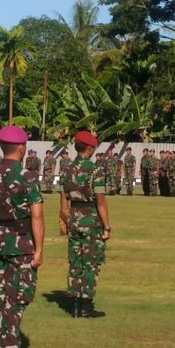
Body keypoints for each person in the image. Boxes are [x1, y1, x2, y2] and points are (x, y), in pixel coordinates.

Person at [0, 126, 44, 348]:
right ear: (21, 147)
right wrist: (39, 250)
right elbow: (36, 216)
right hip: (22, 243)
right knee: (18, 296)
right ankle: (9, 342)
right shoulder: (28, 177)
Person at [59, 131, 111, 318]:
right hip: (91, 220)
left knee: (75, 261)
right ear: (90, 148)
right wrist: (106, 227)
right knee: (91, 263)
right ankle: (86, 306)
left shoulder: (67, 169)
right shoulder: (95, 170)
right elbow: (101, 201)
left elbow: (63, 198)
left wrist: (64, 220)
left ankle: (74, 305)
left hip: (73, 217)